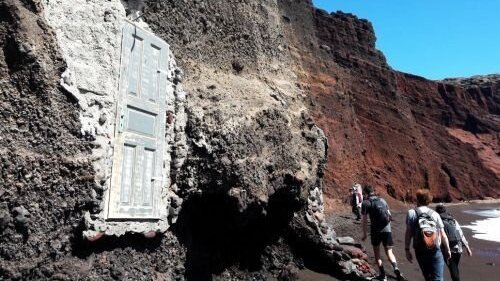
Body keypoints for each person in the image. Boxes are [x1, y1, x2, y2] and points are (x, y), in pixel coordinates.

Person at [361, 185, 407, 281]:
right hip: (387, 229)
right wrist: (387, 227)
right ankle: (397, 270)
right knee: (389, 252)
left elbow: (364, 221)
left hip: (375, 231)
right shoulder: (382, 200)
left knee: (377, 253)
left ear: (365, 193)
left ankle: (383, 275)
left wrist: (365, 234)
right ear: (373, 191)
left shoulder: (365, 203)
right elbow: (389, 216)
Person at [405, 189, 452, 281]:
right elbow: (443, 234)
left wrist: (407, 249)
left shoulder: (411, 213)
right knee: (438, 278)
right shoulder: (435, 214)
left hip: (420, 249)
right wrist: (448, 249)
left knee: (428, 277)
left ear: (417, 199)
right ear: (428, 201)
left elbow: (408, 233)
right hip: (435, 248)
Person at [435, 204, 472, 281]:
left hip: (448, 249)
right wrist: (468, 248)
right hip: (458, 248)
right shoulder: (453, 220)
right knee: (455, 267)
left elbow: (438, 236)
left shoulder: (439, 221)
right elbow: (461, 234)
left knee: (453, 269)